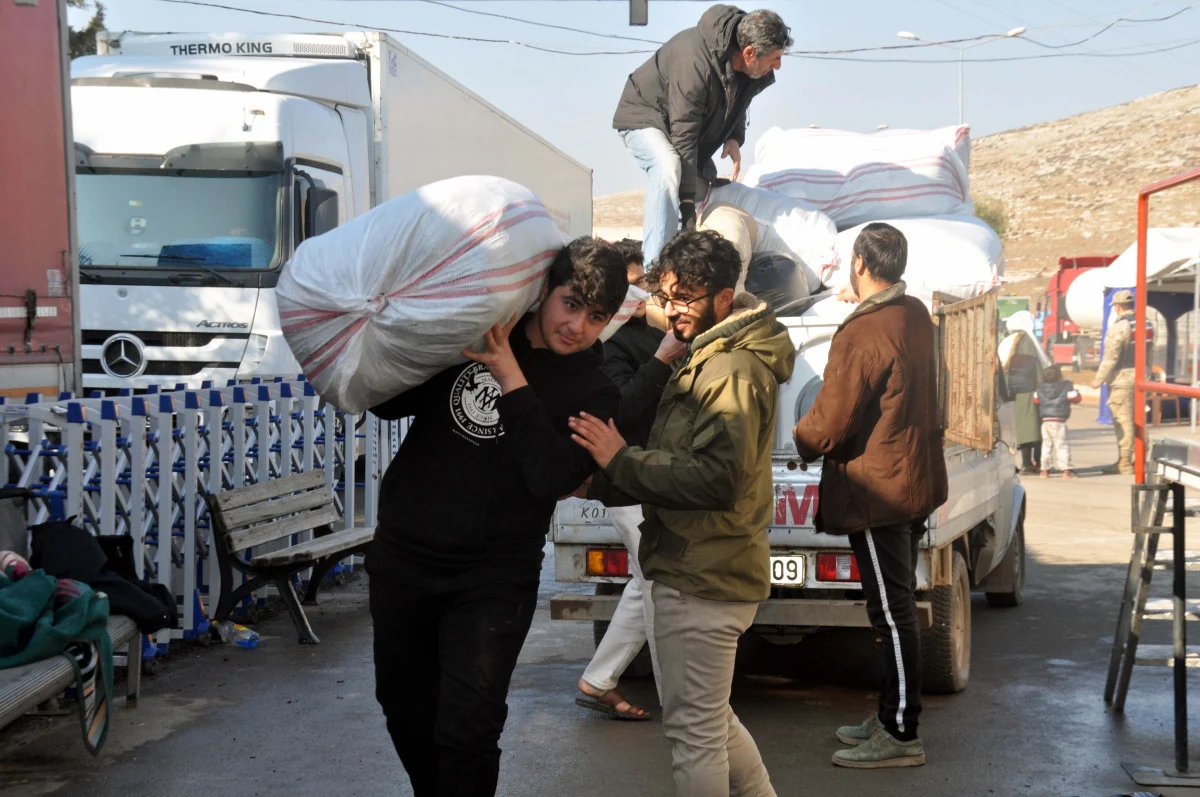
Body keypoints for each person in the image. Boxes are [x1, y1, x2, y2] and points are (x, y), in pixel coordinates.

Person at [366, 237, 628, 796]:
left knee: (470, 727)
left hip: (492, 575)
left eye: (596, 316)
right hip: (404, 555)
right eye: (571, 303)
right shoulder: (479, 336)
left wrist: (512, 376)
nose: (578, 326)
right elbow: (384, 401)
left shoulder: (594, 390)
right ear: (545, 293)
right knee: (403, 705)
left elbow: (554, 477)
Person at [570, 229, 793, 796]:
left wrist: (620, 460)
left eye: (687, 297)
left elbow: (717, 478)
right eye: (667, 296)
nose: (674, 311)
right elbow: (688, 463)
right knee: (710, 721)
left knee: (694, 736)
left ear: (724, 297)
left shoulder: (730, 370)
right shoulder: (710, 355)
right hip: (697, 564)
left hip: (704, 575)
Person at [792, 223, 948, 769]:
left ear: (859, 263)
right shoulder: (913, 315)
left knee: (891, 610)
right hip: (908, 481)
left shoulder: (863, 333)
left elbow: (829, 425)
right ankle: (888, 714)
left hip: (877, 491)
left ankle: (902, 732)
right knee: (892, 607)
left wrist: (799, 437)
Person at [576, 239, 688, 721]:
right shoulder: (609, 344)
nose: (645, 298)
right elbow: (618, 411)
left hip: (656, 477)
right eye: (635, 286)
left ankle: (599, 679)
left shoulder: (653, 331)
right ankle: (678, 702)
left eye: (646, 285)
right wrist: (662, 358)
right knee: (656, 584)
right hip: (628, 479)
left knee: (647, 582)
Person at [613, 5, 791, 266]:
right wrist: (686, 203)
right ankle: (655, 270)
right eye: (775, 57)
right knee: (667, 166)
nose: (778, 65)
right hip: (644, 114)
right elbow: (684, 133)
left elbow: (739, 100)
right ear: (750, 52)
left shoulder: (745, 66)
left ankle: (680, 260)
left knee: (699, 190)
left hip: (681, 128)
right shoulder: (695, 62)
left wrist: (734, 137)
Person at [1091, 289, 1137, 475]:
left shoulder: (1120, 326)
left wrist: (1098, 379)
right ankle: (1140, 459)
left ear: (1117, 307)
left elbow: (1111, 357)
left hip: (1122, 380)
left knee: (1123, 422)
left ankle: (1125, 462)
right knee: (1138, 420)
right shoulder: (1145, 323)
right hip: (1141, 378)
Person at [999, 311, 1048, 474]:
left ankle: (1016, 464)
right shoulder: (1026, 340)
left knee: (1014, 429)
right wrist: (1041, 386)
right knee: (1030, 428)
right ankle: (1029, 464)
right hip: (1026, 389)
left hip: (1009, 390)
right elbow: (1033, 366)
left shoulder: (1008, 340)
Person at [1035, 364, 1081, 479]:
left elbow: (1036, 400)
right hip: (1059, 421)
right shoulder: (1066, 386)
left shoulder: (1039, 388)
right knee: (1061, 445)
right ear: (1059, 376)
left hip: (1045, 421)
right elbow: (1076, 398)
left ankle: (1044, 470)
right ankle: (1066, 470)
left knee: (1046, 445)